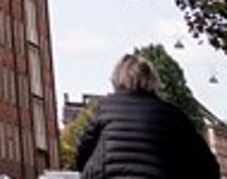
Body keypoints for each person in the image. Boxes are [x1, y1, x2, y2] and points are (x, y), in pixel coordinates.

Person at [76, 51, 221, 179]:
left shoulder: (103, 109)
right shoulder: (173, 115)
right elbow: (208, 167)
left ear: (116, 79)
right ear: (152, 80)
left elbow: (82, 155)